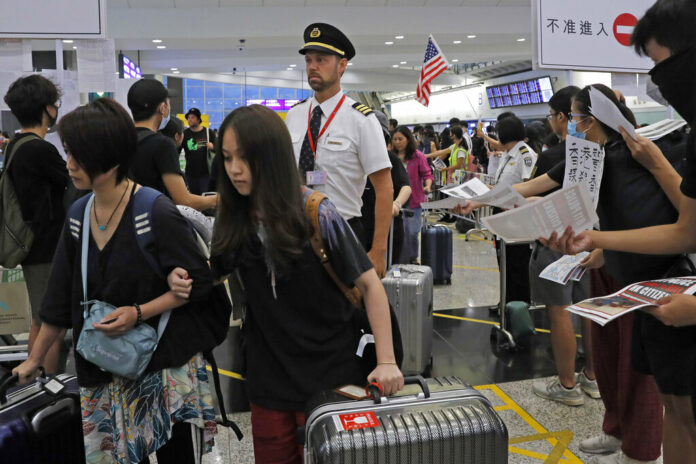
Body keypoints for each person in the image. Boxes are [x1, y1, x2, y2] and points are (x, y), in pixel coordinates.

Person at [171, 104, 403, 464]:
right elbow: (214, 271)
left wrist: (387, 361)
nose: (234, 169)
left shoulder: (316, 213)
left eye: (245, 158)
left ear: (273, 157)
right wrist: (181, 276)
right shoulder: (236, 217)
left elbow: (371, 286)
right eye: (228, 157)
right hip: (269, 379)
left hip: (332, 373)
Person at [12, 98, 218, 464]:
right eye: (69, 153)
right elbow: (59, 300)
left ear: (108, 157)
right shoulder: (78, 215)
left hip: (162, 367)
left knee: (176, 456)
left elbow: (200, 282)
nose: (70, 164)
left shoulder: (154, 210)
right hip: (104, 370)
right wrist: (35, 359)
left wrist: (139, 312)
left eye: (78, 155)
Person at [469, 84, 667, 464]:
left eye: (574, 118)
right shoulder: (586, 157)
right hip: (604, 263)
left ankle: (640, 451)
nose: (569, 124)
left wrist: (601, 243)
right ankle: (615, 431)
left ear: (590, 120)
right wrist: (481, 199)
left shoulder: (635, 156)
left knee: (635, 367)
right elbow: (537, 186)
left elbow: (646, 219)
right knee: (609, 360)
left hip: (636, 269)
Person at [540, 2, 696, 462]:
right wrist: (597, 242)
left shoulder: (656, 149)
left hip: (679, 292)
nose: (657, 80)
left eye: (659, 64)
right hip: (659, 293)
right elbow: (686, 231)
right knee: (679, 410)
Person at [285, 23, 393, 277]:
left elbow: (384, 188)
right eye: (309, 60)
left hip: (341, 230)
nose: (312, 66)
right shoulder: (294, 115)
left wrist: (378, 251)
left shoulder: (362, 120)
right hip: (296, 231)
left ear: (342, 65)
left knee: (343, 312)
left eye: (321, 59)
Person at [522, 86, 599, 408]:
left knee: (561, 310)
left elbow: (533, 189)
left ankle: (567, 384)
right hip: (594, 243)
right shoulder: (606, 155)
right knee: (591, 309)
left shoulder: (559, 154)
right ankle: (593, 378)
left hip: (559, 241)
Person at [3, 75, 69, 375]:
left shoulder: (17, 145)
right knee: (50, 323)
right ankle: (46, 390)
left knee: (41, 319)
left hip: (33, 246)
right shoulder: (40, 150)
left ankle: (36, 385)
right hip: (47, 246)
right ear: (47, 109)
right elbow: (72, 182)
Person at [127, 79, 217, 212]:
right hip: (155, 217)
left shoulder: (122, 139)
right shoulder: (162, 144)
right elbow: (184, 200)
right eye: (168, 103)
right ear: (162, 108)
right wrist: (218, 199)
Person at [361, 113, 411, 265]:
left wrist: (396, 204)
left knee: (385, 275)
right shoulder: (355, 158)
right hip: (360, 229)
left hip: (387, 230)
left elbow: (406, 187)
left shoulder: (390, 159)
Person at [390, 126, 431, 263]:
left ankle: (413, 257)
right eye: (394, 139)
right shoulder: (390, 156)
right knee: (399, 232)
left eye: (400, 139)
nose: (397, 142)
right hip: (395, 199)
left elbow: (427, 173)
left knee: (412, 232)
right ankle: (398, 259)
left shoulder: (417, 156)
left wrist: (428, 185)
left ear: (408, 139)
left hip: (414, 200)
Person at [182, 107, 216, 194]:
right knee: (193, 199)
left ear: (198, 119)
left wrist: (213, 147)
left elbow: (219, 149)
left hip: (206, 173)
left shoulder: (208, 132)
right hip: (190, 173)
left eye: (192, 117)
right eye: (188, 118)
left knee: (205, 198)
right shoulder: (185, 134)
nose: (189, 120)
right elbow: (177, 150)